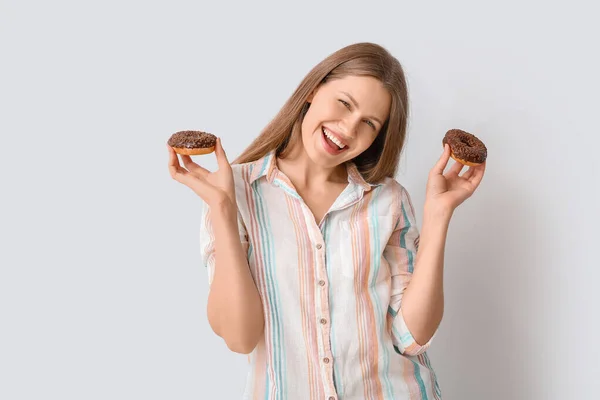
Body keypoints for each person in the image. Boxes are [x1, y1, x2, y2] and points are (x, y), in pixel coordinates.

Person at [167, 42, 485, 400]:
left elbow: (411, 338)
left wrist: (439, 215)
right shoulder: (234, 191)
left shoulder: (388, 200)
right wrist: (223, 210)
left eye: (368, 123)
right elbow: (240, 338)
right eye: (344, 103)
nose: (348, 129)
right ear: (314, 90)